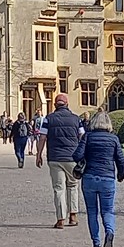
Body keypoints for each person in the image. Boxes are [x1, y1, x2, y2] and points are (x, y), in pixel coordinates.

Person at [74, 111, 124, 247]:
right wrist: (121, 175)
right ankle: (109, 231)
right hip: (107, 178)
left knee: (92, 212)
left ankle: (96, 243)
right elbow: (121, 160)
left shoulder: (88, 137)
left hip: (90, 177)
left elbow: (77, 155)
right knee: (108, 210)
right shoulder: (113, 139)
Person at [36, 93, 85, 229]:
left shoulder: (48, 119)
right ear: (67, 104)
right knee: (73, 186)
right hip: (72, 157)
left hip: (55, 157)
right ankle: (73, 215)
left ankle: (60, 219)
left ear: (55, 105)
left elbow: (42, 137)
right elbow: (82, 136)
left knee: (59, 188)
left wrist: (38, 154)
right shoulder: (76, 119)